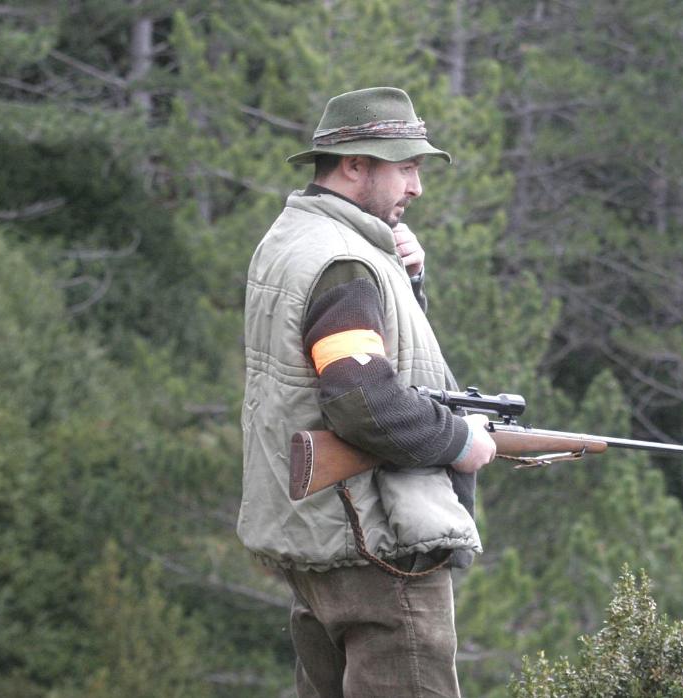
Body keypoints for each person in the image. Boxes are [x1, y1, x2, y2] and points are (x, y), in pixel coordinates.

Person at [237, 86, 498, 697]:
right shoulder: (343, 261)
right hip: (375, 543)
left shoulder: (297, 239)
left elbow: (369, 358)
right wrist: (460, 440)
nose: (417, 187)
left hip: (326, 538)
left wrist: (406, 279)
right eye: (406, 167)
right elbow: (363, 400)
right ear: (355, 165)